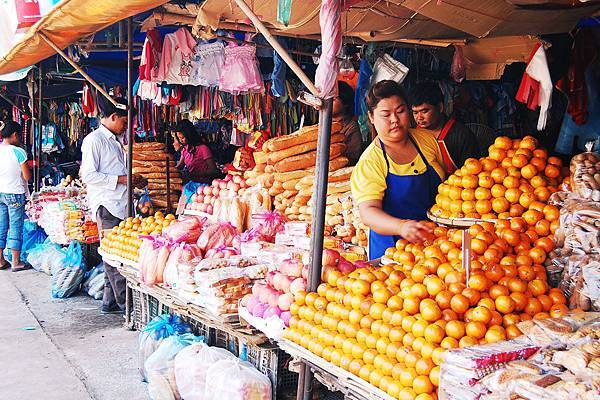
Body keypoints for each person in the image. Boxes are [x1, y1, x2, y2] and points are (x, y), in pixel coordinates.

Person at [351, 80, 446, 259]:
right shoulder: (371, 161)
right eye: (386, 115)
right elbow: (369, 213)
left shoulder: (426, 140)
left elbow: (443, 187)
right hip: (392, 253)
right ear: (371, 117)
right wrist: (401, 227)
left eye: (400, 111)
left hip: (434, 246)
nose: (395, 120)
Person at [80, 98, 144, 314]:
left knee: (115, 252)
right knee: (113, 256)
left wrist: (132, 182)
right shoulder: (94, 140)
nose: (126, 126)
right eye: (125, 121)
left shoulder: (115, 140)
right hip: (107, 205)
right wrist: (124, 180)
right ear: (114, 117)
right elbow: (88, 175)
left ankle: (109, 301)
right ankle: (127, 305)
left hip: (121, 203)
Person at [410, 81, 480, 174]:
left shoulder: (462, 135)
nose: (419, 117)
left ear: (440, 107)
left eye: (424, 111)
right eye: (415, 112)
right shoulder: (412, 135)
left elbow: (472, 174)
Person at [0, 121, 31, 272]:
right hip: (15, 193)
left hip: (0, 192)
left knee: (1, 226)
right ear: (14, 135)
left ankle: (0, 260)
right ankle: (16, 262)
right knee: (16, 227)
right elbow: (26, 176)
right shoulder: (18, 152)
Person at [333, 81, 363, 165]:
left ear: (345, 103)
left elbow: (352, 158)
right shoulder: (323, 125)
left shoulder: (351, 127)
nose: (329, 102)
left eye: (334, 99)